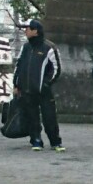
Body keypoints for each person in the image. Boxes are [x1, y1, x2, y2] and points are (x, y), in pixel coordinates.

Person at [14, 19, 64, 150]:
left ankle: (55, 141)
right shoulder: (25, 47)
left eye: (28, 28)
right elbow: (19, 66)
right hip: (27, 89)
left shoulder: (49, 47)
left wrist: (46, 83)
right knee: (32, 116)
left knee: (49, 117)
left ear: (35, 31)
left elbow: (57, 68)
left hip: (44, 90)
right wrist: (17, 84)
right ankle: (36, 139)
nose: (25, 31)